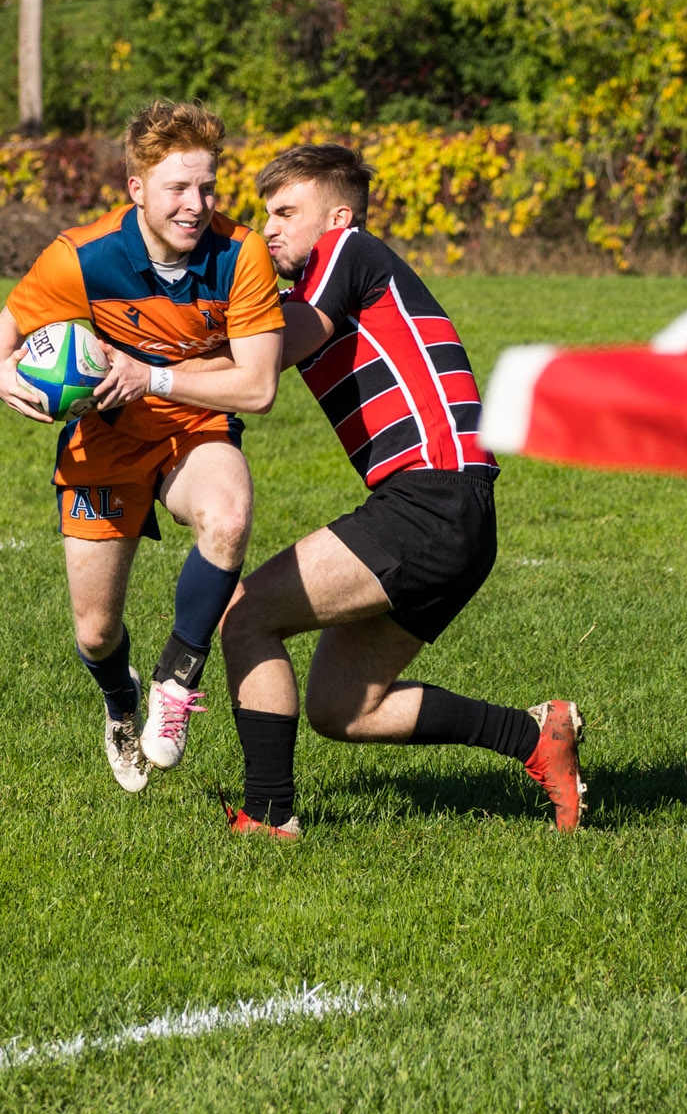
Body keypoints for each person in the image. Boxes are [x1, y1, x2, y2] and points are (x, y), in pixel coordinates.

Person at [196, 143, 584, 837]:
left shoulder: (347, 250)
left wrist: (166, 359)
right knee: (343, 707)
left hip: (430, 500)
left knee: (248, 615)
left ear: (338, 215)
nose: (271, 228)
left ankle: (268, 816)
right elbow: (254, 341)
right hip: (453, 513)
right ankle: (534, 738)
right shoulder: (305, 289)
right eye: (266, 214)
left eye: (287, 210)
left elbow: (282, 345)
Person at [0, 100, 284, 792]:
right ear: (137, 189)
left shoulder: (242, 254)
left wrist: (153, 376)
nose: (196, 204)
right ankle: (121, 701)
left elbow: (260, 385)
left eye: (207, 186)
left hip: (194, 426)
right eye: (178, 188)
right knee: (94, 633)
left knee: (229, 514)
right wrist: (4, 378)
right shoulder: (80, 256)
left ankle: (176, 679)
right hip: (105, 442)